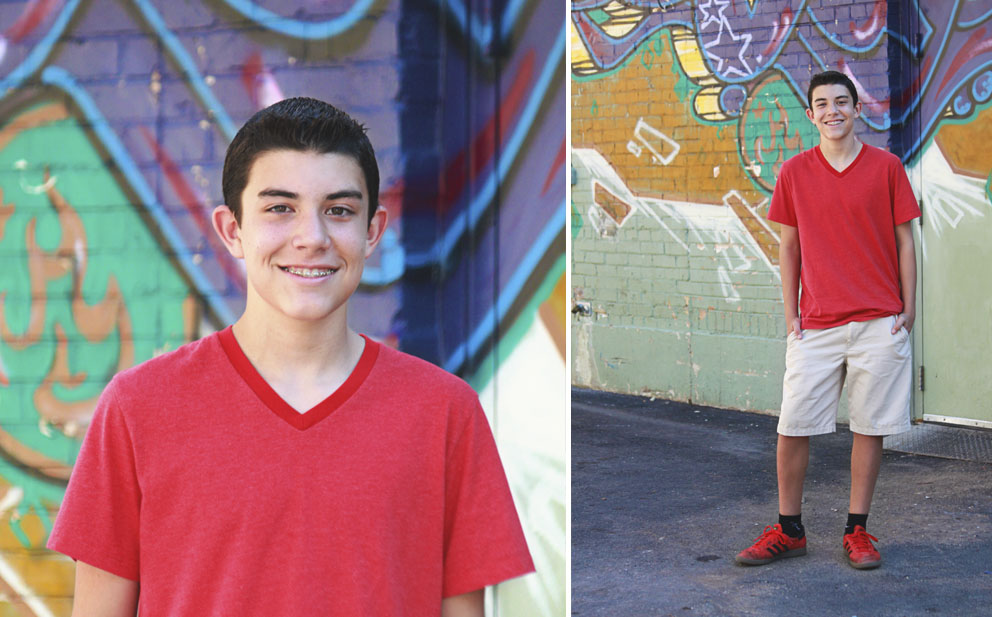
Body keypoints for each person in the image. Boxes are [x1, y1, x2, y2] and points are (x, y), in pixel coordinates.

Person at [48, 97, 534, 615]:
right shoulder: (137, 407)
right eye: (280, 208)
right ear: (232, 230)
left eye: (339, 211)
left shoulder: (445, 413)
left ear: (372, 232)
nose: (312, 238)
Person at [735, 71, 920, 570]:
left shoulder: (886, 167)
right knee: (792, 425)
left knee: (869, 427)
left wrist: (909, 307)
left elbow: (906, 240)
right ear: (811, 113)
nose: (832, 110)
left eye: (842, 101)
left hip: (878, 320)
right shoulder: (794, 172)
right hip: (816, 323)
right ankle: (789, 529)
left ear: (857, 109)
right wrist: (790, 313)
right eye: (822, 103)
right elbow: (788, 246)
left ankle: (857, 531)